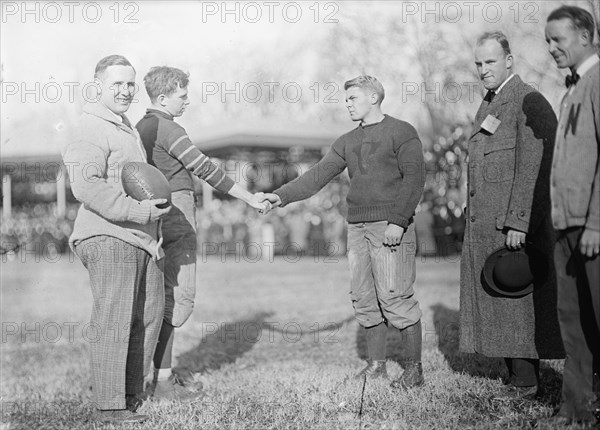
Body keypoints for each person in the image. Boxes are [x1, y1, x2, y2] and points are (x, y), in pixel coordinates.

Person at [260, 75, 426, 389]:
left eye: (353, 98)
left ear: (374, 97)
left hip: (390, 226)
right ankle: (377, 366)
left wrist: (398, 221)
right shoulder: (347, 140)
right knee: (363, 297)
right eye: (346, 98)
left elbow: (415, 180)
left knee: (394, 297)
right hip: (357, 227)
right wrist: (279, 196)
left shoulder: (402, 131)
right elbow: (316, 176)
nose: (347, 103)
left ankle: (414, 371)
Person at [136, 66, 269, 400]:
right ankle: (162, 381)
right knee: (177, 300)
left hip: (148, 215)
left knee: (152, 298)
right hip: (177, 212)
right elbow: (204, 168)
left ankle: (144, 378)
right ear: (163, 97)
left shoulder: (138, 127)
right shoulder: (169, 127)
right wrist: (249, 196)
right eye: (182, 95)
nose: (187, 101)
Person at [62, 55, 170, 424]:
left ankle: (129, 396)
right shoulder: (89, 127)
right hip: (107, 236)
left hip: (138, 239)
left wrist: (151, 229)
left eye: (130, 84)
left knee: (149, 314)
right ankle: (109, 407)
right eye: (117, 84)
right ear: (97, 87)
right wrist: (140, 213)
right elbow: (86, 184)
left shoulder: (126, 128)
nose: (125, 91)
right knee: (116, 320)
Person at [459, 32, 564, 400]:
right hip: (486, 224)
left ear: (508, 60)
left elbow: (535, 165)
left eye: (490, 62)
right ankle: (517, 376)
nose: (483, 69)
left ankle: (526, 381)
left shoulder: (526, 100)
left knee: (516, 302)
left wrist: (520, 220)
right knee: (499, 298)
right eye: (478, 63)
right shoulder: (490, 103)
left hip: (511, 227)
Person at [545, 5, 600, 426]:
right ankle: (577, 406)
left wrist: (597, 222)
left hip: (592, 226)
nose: (551, 48)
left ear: (584, 35)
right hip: (565, 225)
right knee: (572, 319)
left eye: (557, 39)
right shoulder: (570, 90)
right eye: (547, 41)